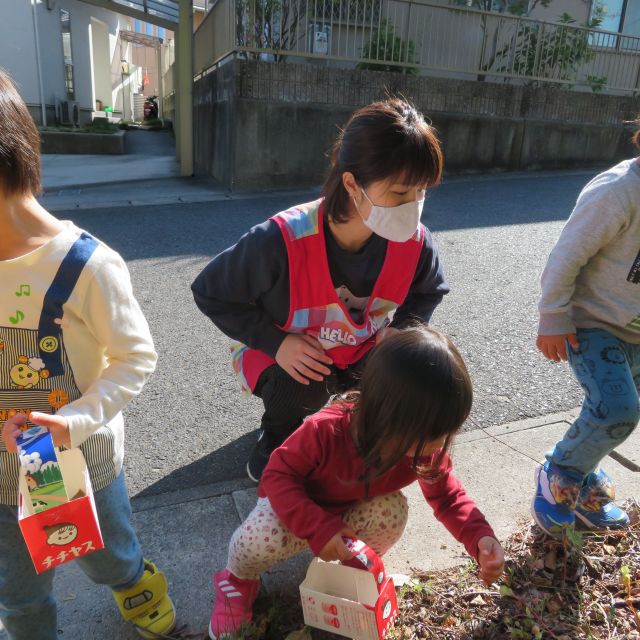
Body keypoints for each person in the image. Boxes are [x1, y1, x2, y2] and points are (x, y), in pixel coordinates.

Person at [0, 70, 175, 640]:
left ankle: (134, 583)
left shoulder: (86, 266)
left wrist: (74, 421)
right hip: (1, 477)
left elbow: (134, 359)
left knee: (105, 555)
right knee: (18, 592)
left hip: (74, 461)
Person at [192, 98, 449, 482]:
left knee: (405, 367)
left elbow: (429, 290)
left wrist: (402, 329)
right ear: (351, 183)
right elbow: (210, 290)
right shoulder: (281, 239)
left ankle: (352, 429)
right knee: (301, 385)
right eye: (399, 194)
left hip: (360, 346)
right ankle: (278, 433)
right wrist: (277, 343)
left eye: (421, 193)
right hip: (287, 351)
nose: (413, 208)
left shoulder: (414, 241)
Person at [208, 326, 505, 638]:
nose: (438, 444)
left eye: (447, 431)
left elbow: (446, 497)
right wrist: (318, 527)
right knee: (257, 539)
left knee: (392, 511)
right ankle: (237, 582)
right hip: (295, 510)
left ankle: (352, 574)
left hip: (348, 515)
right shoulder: (325, 431)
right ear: (386, 417)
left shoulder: (421, 448)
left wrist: (479, 537)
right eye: (431, 435)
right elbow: (278, 476)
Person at [532, 139, 640, 536]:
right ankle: (559, 475)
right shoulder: (618, 191)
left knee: (620, 413)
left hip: (636, 332)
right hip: (594, 326)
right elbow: (567, 254)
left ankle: (584, 477)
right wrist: (553, 316)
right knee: (617, 410)